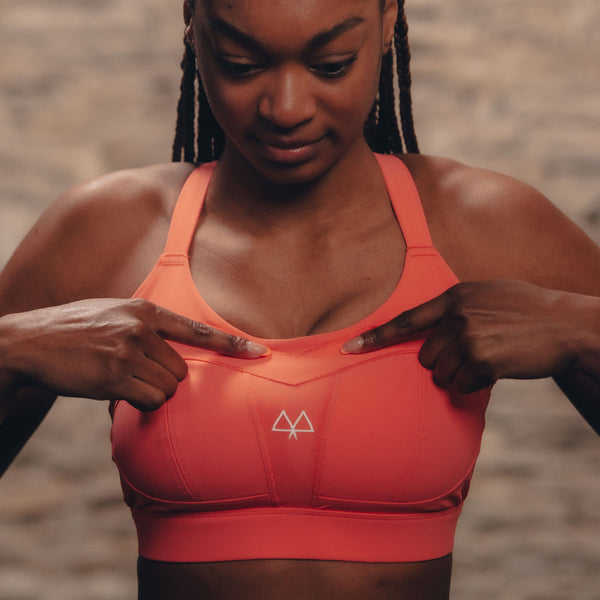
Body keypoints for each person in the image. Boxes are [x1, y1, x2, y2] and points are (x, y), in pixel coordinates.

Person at [0, 0, 598, 598]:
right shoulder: (107, 230)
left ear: (389, 18)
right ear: (191, 21)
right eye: (241, 64)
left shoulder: (482, 224)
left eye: (332, 65)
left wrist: (585, 329)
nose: (286, 109)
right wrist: (9, 348)